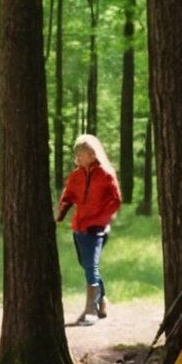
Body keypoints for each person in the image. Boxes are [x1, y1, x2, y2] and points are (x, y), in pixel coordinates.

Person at [56, 133, 122, 325]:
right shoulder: (76, 176)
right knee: (87, 267)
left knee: (90, 268)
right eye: (76, 154)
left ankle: (90, 310)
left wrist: (98, 220)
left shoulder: (106, 175)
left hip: (97, 229)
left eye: (80, 154)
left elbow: (114, 201)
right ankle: (102, 301)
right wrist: (60, 213)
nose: (77, 158)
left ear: (92, 155)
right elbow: (68, 196)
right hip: (79, 228)